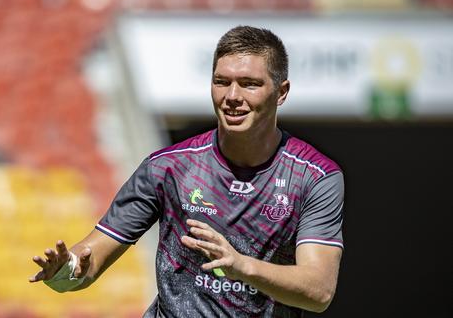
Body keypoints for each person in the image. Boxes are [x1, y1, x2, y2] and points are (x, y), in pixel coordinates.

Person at [29, 26, 344, 317]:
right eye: (222, 82)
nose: (232, 97)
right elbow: (89, 260)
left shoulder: (315, 177)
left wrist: (241, 266)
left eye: (249, 84)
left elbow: (318, 290)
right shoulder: (168, 167)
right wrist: (66, 272)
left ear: (281, 92)